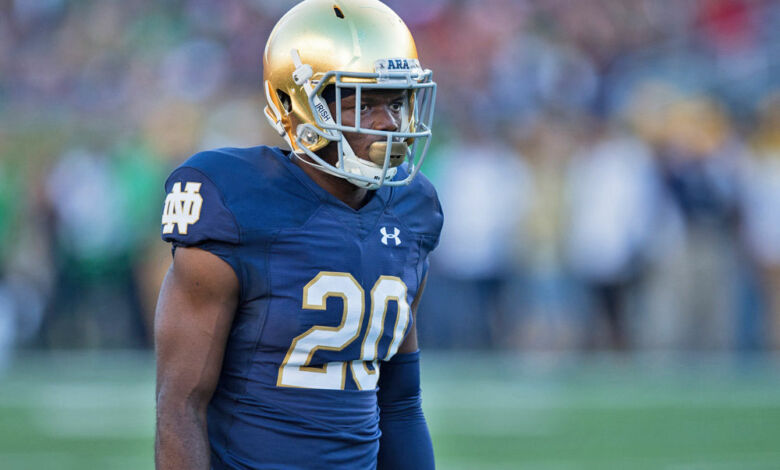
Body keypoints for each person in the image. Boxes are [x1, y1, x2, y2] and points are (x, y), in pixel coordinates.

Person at [153, 1, 441, 469]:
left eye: (396, 102)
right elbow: (181, 404)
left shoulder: (412, 209)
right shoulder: (236, 201)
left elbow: (400, 402)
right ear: (297, 103)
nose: (388, 123)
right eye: (364, 103)